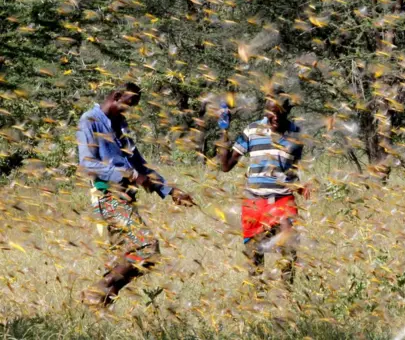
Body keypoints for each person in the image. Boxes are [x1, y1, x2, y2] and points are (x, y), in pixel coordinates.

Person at [76, 83, 194, 307]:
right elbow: (87, 163)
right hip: (107, 195)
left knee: (129, 258)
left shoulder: (121, 124)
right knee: (146, 248)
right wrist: (127, 174)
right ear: (117, 96)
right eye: (127, 104)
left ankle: (98, 305)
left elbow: (139, 163)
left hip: (126, 197)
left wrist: (170, 190)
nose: (127, 111)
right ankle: (95, 292)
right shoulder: (89, 120)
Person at [217, 90, 309, 291]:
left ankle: (287, 296)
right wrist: (224, 130)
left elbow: (291, 170)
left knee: (289, 246)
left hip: (282, 199)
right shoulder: (252, 131)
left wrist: (301, 186)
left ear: (287, 111)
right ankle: (257, 298)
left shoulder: (296, 134)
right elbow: (225, 165)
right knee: (254, 254)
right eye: (270, 113)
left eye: (279, 113)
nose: (274, 118)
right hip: (254, 201)